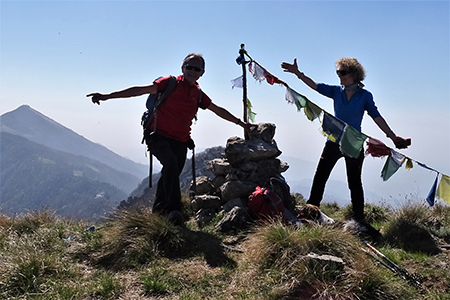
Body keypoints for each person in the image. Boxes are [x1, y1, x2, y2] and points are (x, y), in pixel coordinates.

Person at [87, 53, 252, 225]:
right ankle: (174, 210)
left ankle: (158, 213)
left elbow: (217, 109)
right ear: (183, 67)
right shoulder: (169, 83)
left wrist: (241, 123)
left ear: (202, 73)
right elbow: (139, 90)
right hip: (157, 136)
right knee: (171, 164)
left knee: (170, 172)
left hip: (181, 141)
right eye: (189, 67)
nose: (193, 71)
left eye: (197, 69)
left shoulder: (198, 94)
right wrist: (107, 96)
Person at [281, 57, 410, 221]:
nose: (339, 75)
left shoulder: (365, 96)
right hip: (333, 142)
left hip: (354, 145)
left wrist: (392, 136)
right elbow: (315, 86)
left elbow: (376, 116)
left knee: (354, 182)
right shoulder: (336, 91)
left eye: (343, 72)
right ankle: (311, 212)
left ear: (354, 74)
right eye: (338, 72)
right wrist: (297, 73)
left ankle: (358, 219)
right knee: (321, 176)